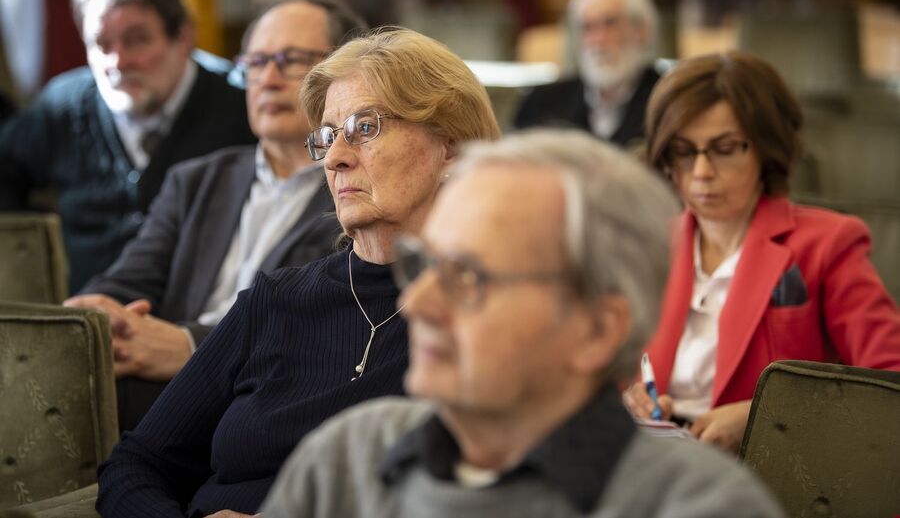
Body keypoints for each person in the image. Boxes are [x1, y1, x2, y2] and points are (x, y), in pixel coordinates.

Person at [261, 130, 786, 518]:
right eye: (425, 265)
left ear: (596, 330)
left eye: (467, 277)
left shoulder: (695, 506)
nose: (419, 303)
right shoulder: (347, 459)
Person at [94, 27, 501, 518]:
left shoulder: (492, 314)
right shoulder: (274, 300)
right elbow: (136, 464)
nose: (335, 157)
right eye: (328, 137)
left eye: (365, 128)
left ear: (451, 148)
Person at [64, 0, 367, 432]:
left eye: (293, 60)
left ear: (344, 74)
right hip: (162, 387)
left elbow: (320, 325)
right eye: (257, 62)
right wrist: (99, 313)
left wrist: (191, 345)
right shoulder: (196, 180)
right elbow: (128, 280)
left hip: (275, 401)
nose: (269, 79)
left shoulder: (355, 183)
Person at [624, 51, 900, 453]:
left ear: (766, 149)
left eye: (724, 148)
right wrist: (631, 400)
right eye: (683, 151)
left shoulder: (829, 243)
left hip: (774, 473)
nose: (701, 172)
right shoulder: (650, 244)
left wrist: (766, 416)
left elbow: (889, 382)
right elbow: (611, 370)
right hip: (662, 466)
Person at [0, 0, 255, 291]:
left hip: (195, 325)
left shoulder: (240, 104)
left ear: (182, 38)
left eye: (137, 40)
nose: (117, 61)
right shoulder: (62, 106)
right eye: (101, 44)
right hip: (85, 322)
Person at [513, 0, 662, 148]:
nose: (597, 40)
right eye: (587, 28)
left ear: (641, 30)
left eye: (610, 24)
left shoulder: (667, 100)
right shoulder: (542, 102)